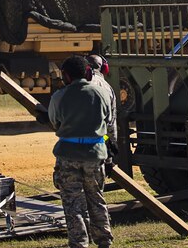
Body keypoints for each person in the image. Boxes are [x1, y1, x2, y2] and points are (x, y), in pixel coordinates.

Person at [48, 56, 114, 248]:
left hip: (68, 156)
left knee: (72, 203)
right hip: (95, 156)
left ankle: (79, 243)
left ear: (66, 76)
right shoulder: (102, 93)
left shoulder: (59, 97)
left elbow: (55, 123)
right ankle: (104, 241)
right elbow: (108, 122)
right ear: (87, 72)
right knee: (97, 199)